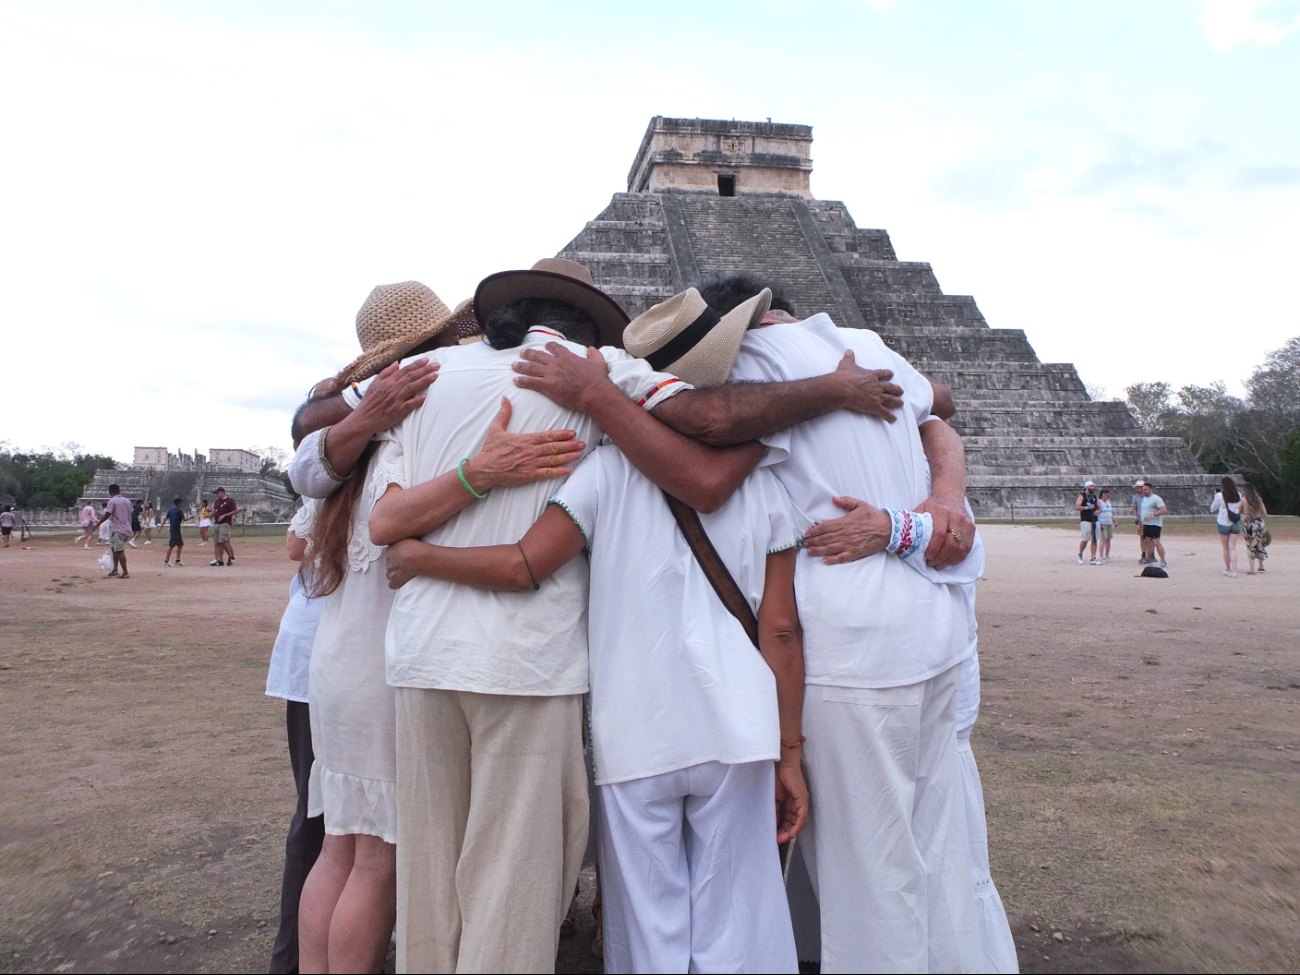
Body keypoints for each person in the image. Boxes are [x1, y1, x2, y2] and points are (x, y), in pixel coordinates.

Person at [300, 261, 918, 974]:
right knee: (522, 884)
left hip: (447, 669)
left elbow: (399, 521)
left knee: (433, 876)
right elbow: (710, 446)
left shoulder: (430, 381)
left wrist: (432, 537)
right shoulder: (605, 384)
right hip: (553, 677)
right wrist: (833, 391)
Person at [513, 277, 985, 972]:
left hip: (833, 658)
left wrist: (592, 396)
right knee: (937, 853)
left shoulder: (743, 384)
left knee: (867, 873)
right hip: (919, 636)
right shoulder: (857, 348)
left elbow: (703, 444)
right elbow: (937, 406)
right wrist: (938, 488)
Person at [384, 291, 813, 973]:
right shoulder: (768, 476)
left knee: (648, 926)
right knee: (742, 921)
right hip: (740, 729)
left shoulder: (603, 470)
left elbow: (525, 562)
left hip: (636, 734)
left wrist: (421, 558)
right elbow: (783, 630)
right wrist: (791, 752)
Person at [293, 280, 588, 975]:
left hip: (342, 660)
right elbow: (390, 521)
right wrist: (478, 472)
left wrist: (358, 418)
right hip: (387, 662)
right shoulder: (409, 417)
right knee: (377, 861)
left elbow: (305, 480)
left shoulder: (370, 433)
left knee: (341, 845)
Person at [267, 499, 326, 975]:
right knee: (316, 814)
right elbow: (296, 546)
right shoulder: (326, 484)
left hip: (369, 654)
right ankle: (292, 957)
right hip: (319, 656)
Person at [95, 484, 134, 578]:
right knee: (114, 549)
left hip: (117, 529)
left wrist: (97, 524)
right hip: (125, 528)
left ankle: (125, 572)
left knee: (120, 550)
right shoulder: (127, 501)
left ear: (110, 491)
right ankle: (115, 569)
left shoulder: (112, 501)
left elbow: (108, 513)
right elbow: (131, 513)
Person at [1210, 476, 1242, 578]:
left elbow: (1213, 509)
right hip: (1235, 523)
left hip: (1223, 522)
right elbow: (1238, 507)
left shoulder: (1220, 495)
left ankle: (1228, 568)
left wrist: (1215, 496)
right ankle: (1234, 570)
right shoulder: (1238, 495)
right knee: (1233, 548)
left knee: (1225, 548)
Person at [1241, 482, 1269, 574]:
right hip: (1259, 522)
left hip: (1249, 524)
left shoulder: (1244, 500)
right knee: (1259, 543)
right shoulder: (1259, 499)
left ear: (1245, 491)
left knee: (1250, 545)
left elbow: (1238, 511)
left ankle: (1252, 569)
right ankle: (1261, 566)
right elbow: (1264, 513)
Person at [1139, 481, 1168, 567]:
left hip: (1154, 524)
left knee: (1156, 542)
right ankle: (1149, 559)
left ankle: (1163, 560)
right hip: (1146, 524)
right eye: (1143, 489)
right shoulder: (1145, 499)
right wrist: (1141, 520)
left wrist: (1152, 515)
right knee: (1147, 542)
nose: (1143, 491)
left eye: (1145, 489)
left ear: (1151, 489)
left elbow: (1164, 510)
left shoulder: (1156, 498)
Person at [210, 488, 236, 566]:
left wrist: (225, 515)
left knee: (223, 541)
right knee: (217, 543)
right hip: (217, 523)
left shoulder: (230, 501)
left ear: (222, 492)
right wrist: (210, 515)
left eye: (217, 493)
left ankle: (231, 557)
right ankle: (218, 560)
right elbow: (215, 511)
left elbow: (234, 511)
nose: (216, 495)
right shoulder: (217, 502)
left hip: (225, 524)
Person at [1076, 480, 1100, 564]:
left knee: (1094, 539)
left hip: (1094, 520)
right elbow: (1077, 507)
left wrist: (1098, 511)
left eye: (1094, 486)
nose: (1093, 488)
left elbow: (1099, 507)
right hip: (1085, 520)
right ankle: (1080, 554)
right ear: (1087, 487)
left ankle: (1093, 558)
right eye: (1091, 486)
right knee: (1085, 539)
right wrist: (1087, 507)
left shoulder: (1094, 497)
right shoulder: (1082, 496)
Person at [163, 498, 190, 566]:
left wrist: (160, 527)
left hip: (173, 529)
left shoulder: (171, 510)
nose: (182, 504)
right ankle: (166, 561)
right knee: (171, 545)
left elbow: (165, 518)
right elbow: (185, 519)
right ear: (179, 504)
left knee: (180, 544)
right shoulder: (179, 511)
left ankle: (177, 560)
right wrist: (191, 517)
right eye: (181, 503)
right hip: (176, 530)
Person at [1096, 488, 1114, 562]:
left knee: (1108, 539)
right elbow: (1097, 512)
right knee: (1103, 539)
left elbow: (1111, 512)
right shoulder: (1099, 502)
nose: (1106, 495)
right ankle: (1101, 556)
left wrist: (1114, 521)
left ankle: (1107, 555)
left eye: (1107, 494)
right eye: (1105, 494)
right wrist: (1099, 523)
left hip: (1109, 522)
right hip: (1102, 522)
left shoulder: (1108, 502)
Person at [1132, 479, 1147, 561]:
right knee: (1142, 537)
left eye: (1139, 488)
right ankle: (1144, 553)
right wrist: (1137, 518)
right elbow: (1135, 508)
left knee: (1150, 538)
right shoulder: (1135, 497)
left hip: (1149, 519)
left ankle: (1151, 553)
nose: (1137, 489)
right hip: (1141, 520)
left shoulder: (1148, 497)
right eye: (1137, 488)